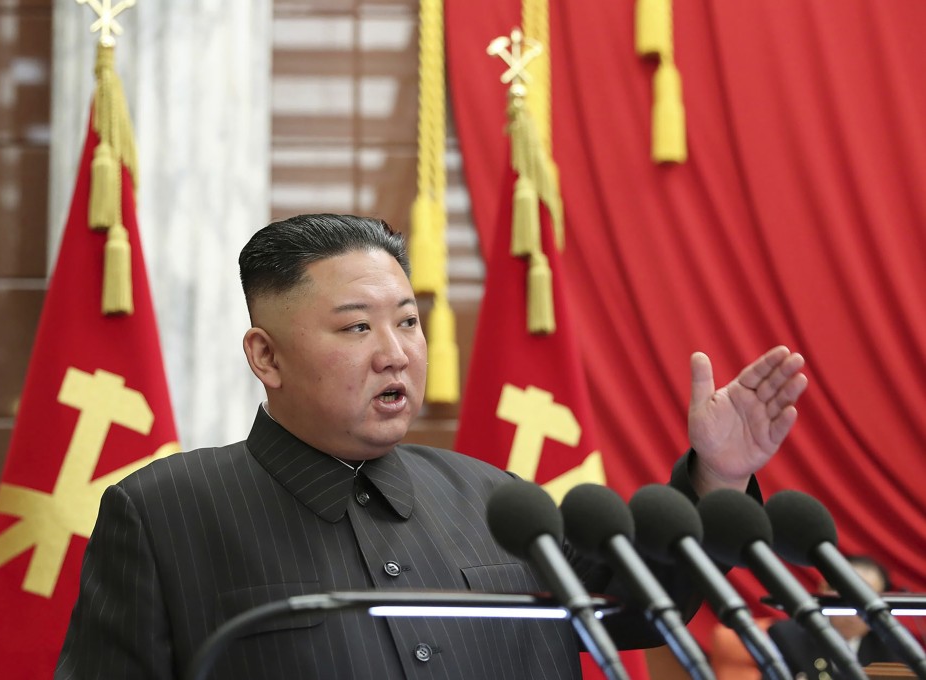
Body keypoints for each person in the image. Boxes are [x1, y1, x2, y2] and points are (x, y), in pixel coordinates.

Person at [55, 213, 809, 679]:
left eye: (408, 322)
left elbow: (645, 612)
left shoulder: (499, 502)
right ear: (267, 357)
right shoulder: (163, 515)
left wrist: (717, 476)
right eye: (356, 327)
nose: (395, 353)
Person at [769, 554, 900, 674]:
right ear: (825, 589)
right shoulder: (787, 635)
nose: (856, 613)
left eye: (867, 601)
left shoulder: (888, 643)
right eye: (849, 597)